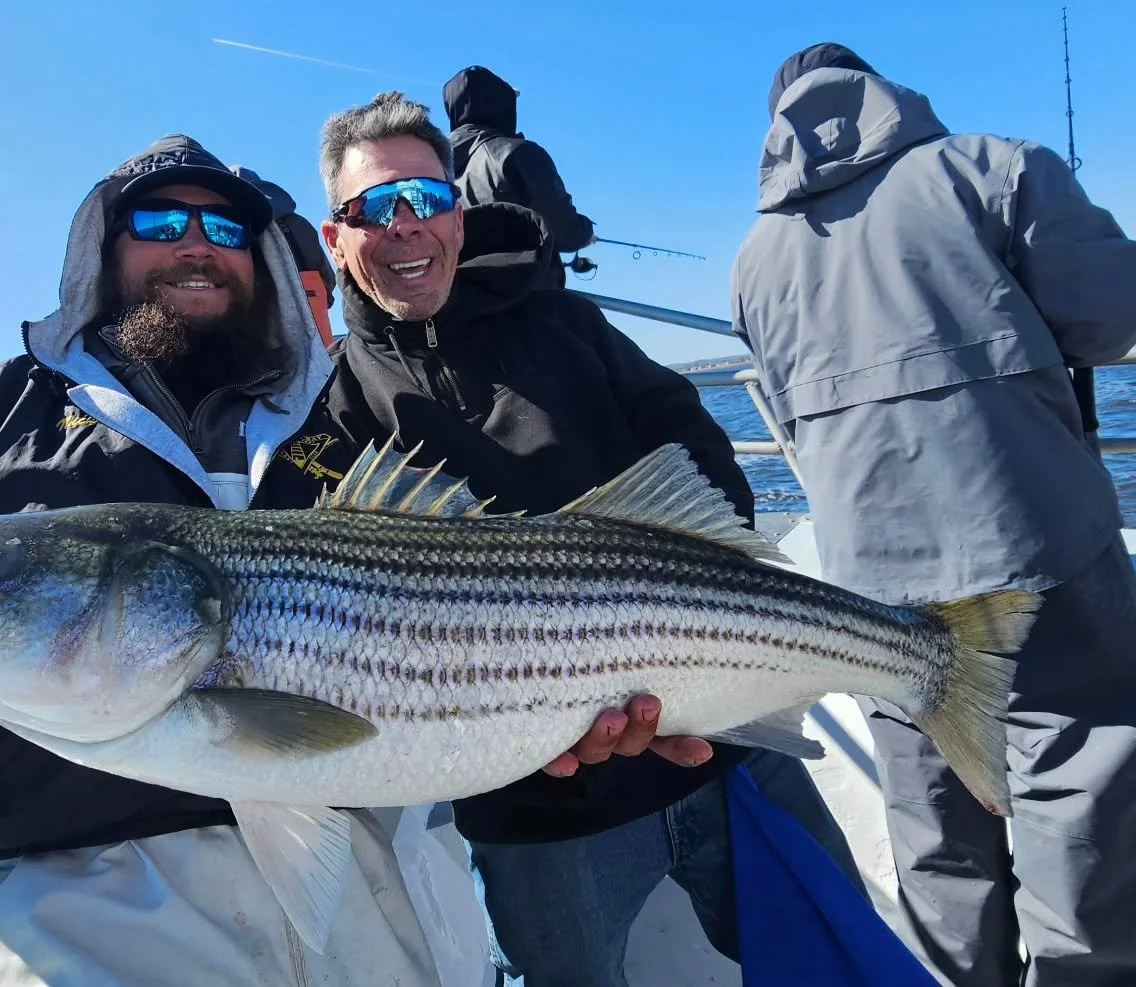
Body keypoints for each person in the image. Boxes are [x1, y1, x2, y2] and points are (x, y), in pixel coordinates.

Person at [0, 134, 445, 986]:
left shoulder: (348, 412)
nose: (195, 244)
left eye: (227, 231)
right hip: (76, 901)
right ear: (103, 248)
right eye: (160, 220)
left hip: (360, 865)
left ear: (264, 260)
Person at [316, 89, 864, 986]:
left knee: (837, 956)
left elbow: (688, 435)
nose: (409, 226)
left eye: (430, 199)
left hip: (717, 733)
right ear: (336, 238)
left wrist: (688, 587)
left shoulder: (566, 322)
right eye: (378, 207)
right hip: (535, 805)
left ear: (459, 212)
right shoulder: (335, 410)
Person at [732, 42, 1136, 987]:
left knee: (934, 829)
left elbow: (791, 412)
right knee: (1074, 789)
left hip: (870, 585)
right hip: (1039, 547)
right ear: (883, 92)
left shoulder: (755, 258)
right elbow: (1112, 319)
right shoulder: (997, 168)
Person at [443, 65, 596, 288]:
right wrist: (586, 232)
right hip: (524, 302)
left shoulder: (435, 166)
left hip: (460, 301)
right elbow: (565, 231)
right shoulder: (518, 154)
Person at [230, 163, 338, 347]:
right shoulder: (300, 223)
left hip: (265, 322)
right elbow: (328, 278)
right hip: (316, 324)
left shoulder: (238, 222)